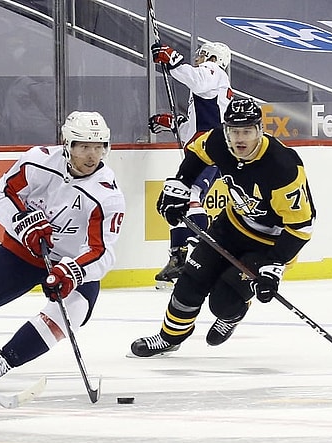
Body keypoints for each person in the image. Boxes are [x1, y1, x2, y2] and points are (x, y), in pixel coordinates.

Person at [0, 111, 125, 387]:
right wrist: (23, 224)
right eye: (84, 146)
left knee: (75, 310)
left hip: (70, 263)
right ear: (67, 144)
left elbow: (101, 251)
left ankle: (3, 360)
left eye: (98, 147)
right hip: (25, 251)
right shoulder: (39, 160)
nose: (91, 156)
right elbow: (0, 195)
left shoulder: (106, 195)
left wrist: (71, 271)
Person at [130, 98, 316, 357]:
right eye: (234, 131)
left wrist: (274, 266)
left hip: (269, 243)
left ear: (260, 130)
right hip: (231, 227)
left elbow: (301, 226)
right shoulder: (219, 141)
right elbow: (196, 152)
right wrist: (182, 184)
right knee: (191, 281)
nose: (240, 139)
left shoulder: (282, 166)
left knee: (224, 300)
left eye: (247, 131)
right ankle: (169, 338)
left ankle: (232, 314)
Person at [148, 41, 233, 288]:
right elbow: (193, 127)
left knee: (191, 195)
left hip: (209, 149)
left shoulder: (214, 71)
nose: (199, 58)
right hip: (201, 148)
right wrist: (172, 122)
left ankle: (200, 254)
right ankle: (179, 258)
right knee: (177, 196)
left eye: (203, 54)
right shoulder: (211, 87)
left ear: (214, 57)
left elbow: (195, 79)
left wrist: (173, 58)